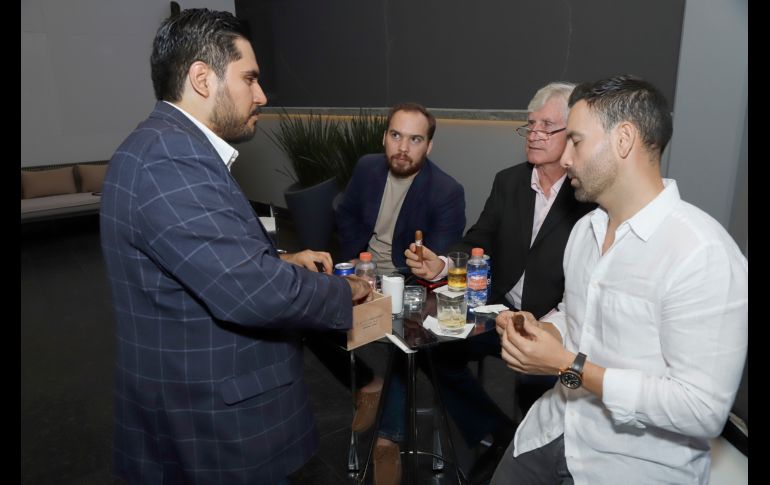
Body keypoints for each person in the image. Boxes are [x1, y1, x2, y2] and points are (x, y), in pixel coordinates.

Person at [100, 9, 371, 484]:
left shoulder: (163, 146)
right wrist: (345, 291)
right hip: (212, 427)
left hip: (188, 407)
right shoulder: (171, 158)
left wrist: (282, 259)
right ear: (202, 78)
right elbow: (253, 293)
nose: (261, 95)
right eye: (250, 78)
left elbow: (200, 257)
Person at [492, 75, 748, 484]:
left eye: (576, 141)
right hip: (550, 427)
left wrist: (567, 365)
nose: (566, 159)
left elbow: (701, 410)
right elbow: (576, 317)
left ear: (624, 140)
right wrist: (541, 331)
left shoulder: (702, 253)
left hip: (630, 463)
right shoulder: (585, 230)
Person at [403, 82, 595, 484]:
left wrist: (547, 327)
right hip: (499, 309)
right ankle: (497, 431)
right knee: (434, 351)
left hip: (554, 323)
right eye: (531, 124)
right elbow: (479, 238)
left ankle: (525, 451)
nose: (535, 134)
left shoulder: (587, 196)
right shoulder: (509, 181)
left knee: (534, 384)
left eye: (547, 126)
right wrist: (442, 264)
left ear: (574, 134)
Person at [303, 102, 466, 459]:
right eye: (396, 135)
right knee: (304, 312)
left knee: (403, 337)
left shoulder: (446, 191)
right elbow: (346, 213)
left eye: (415, 139)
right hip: (363, 272)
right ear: (384, 137)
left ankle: (388, 440)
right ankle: (368, 383)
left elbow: (442, 255)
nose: (402, 148)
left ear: (429, 146)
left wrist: (423, 265)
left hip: (409, 283)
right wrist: (355, 261)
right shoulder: (367, 168)